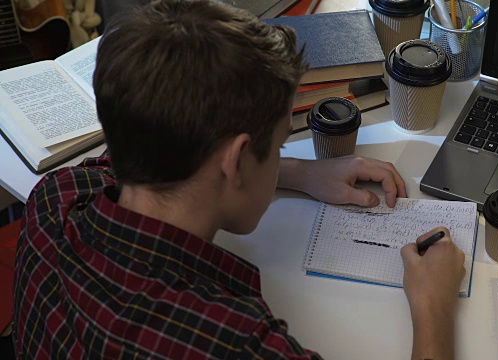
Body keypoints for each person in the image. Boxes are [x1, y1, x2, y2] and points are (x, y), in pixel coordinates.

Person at [13, 0, 465, 359]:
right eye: (282, 144)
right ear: (236, 160)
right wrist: (432, 306)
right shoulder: (234, 342)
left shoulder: (55, 198)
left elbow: (136, 148)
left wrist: (301, 173)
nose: (282, 156)